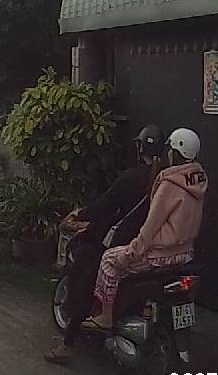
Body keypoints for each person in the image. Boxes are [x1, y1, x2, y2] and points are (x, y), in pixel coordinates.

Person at [44, 124, 163, 364]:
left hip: (126, 246)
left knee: (85, 273)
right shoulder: (166, 181)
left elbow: (105, 205)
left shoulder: (132, 178)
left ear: (140, 148)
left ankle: (67, 344)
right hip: (157, 248)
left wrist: (80, 214)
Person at [85, 128, 208, 331]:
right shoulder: (198, 181)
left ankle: (105, 316)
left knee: (108, 260)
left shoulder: (169, 184)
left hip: (161, 254)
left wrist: (132, 252)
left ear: (175, 152)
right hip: (185, 254)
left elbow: (151, 227)